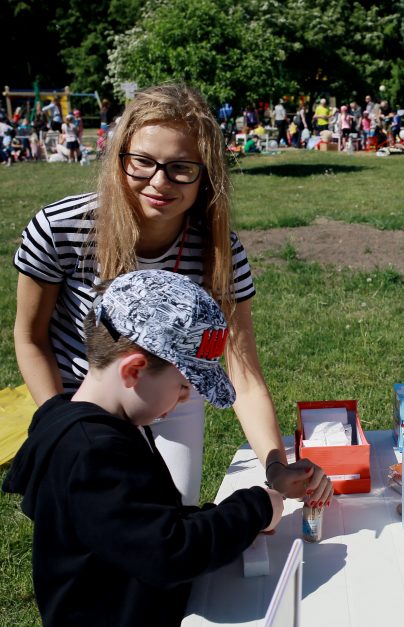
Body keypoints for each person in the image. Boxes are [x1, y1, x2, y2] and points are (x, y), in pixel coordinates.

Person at [12, 83, 327, 507]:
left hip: (172, 396)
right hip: (87, 398)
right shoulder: (60, 228)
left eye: (181, 168)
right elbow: (30, 338)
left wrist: (274, 465)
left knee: (173, 509)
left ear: (206, 175)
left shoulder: (218, 250)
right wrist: (62, 424)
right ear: (119, 158)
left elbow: (243, 370)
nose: (159, 182)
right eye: (142, 162)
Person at [2, 270, 292, 626]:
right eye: (183, 387)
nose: (184, 398)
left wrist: (223, 521)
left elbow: (145, 522)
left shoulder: (96, 428)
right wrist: (255, 508)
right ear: (134, 370)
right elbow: (170, 553)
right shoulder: (94, 454)